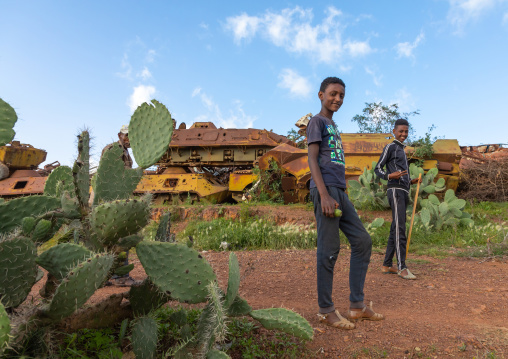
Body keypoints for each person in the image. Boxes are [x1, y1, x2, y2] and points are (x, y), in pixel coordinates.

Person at [307, 77, 384, 330]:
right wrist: (325, 194)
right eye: (333, 94)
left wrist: (340, 194)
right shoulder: (317, 122)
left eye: (341, 95)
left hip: (339, 191)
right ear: (321, 95)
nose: (337, 99)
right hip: (325, 190)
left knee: (362, 241)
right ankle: (325, 310)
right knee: (329, 249)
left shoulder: (333, 125)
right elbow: (313, 159)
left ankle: (356, 306)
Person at [374, 118, 421, 280]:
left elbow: (402, 175)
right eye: (401, 131)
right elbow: (377, 167)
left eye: (406, 131)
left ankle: (387, 264)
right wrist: (389, 176)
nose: (403, 134)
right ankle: (402, 267)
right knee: (400, 227)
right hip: (394, 191)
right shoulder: (391, 147)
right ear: (393, 131)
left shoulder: (402, 150)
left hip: (403, 190)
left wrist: (412, 181)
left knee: (396, 226)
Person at [102, 125, 135, 286]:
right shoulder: (112, 149)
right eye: (127, 135)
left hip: (120, 200)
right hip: (112, 201)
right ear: (119, 135)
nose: (130, 139)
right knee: (117, 237)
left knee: (120, 237)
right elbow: (109, 176)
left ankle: (112, 276)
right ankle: (118, 277)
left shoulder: (126, 152)